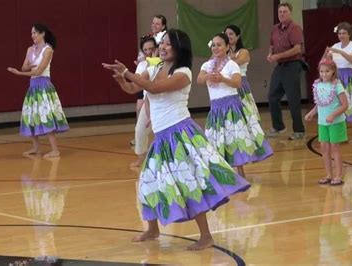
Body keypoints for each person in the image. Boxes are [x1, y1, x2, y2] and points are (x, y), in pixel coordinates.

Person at [103, 29, 250, 250]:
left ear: (179, 48)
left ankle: (206, 236)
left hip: (180, 134)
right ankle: (152, 229)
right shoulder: (154, 69)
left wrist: (127, 72)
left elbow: (154, 88)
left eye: (167, 44)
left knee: (190, 183)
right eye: (161, 43)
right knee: (148, 181)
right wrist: (122, 80)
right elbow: (134, 88)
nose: (162, 47)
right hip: (161, 136)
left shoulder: (184, 73)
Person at [197, 33, 273, 178]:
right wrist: (208, 76)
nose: (216, 48)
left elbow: (237, 83)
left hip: (231, 107)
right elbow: (199, 79)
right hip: (216, 109)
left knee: (234, 139)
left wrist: (222, 78)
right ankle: (222, 173)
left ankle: (241, 172)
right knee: (216, 141)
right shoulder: (207, 65)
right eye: (213, 45)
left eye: (219, 45)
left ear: (227, 47)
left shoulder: (232, 64)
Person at [7, 24, 69, 158]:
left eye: (35, 33)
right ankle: (36, 147)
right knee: (31, 116)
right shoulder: (30, 49)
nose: (32, 35)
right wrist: (26, 67)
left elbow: (39, 70)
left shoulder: (48, 50)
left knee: (45, 115)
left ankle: (55, 149)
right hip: (33, 86)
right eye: (31, 33)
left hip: (44, 86)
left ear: (42, 34)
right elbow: (24, 67)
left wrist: (19, 74)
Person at [305, 59, 348, 186]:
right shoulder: (318, 85)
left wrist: (333, 115)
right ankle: (329, 174)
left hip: (336, 122)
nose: (324, 74)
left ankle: (338, 175)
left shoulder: (337, 85)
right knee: (324, 148)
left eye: (327, 71)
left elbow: (345, 105)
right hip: (322, 123)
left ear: (333, 71)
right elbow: (320, 103)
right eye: (322, 71)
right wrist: (312, 113)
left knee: (335, 148)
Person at [267, 2, 306, 140]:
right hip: (280, 66)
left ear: (290, 13)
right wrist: (270, 54)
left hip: (293, 65)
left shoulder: (295, 28)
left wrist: (279, 56)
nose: (282, 14)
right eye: (280, 12)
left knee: (293, 98)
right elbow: (272, 45)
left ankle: (299, 130)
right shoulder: (275, 29)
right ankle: (278, 126)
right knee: (272, 96)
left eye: (284, 11)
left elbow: (297, 49)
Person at [131, 36, 158, 167]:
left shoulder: (164, 62)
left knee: (160, 131)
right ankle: (141, 157)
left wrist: (154, 62)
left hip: (162, 104)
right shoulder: (142, 65)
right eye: (145, 49)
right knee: (140, 130)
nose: (148, 52)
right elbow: (137, 81)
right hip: (147, 101)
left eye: (151, 49)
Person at [224, 24, 261, 121]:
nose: (228, 36)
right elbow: (212, 64)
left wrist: (227, 59)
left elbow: (235, 63)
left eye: (231, 34)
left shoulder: (243, 51)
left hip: (240, 84)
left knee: (246, 113)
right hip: (227, 84)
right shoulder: (222, 53)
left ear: (238, 36)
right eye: (226, 34)